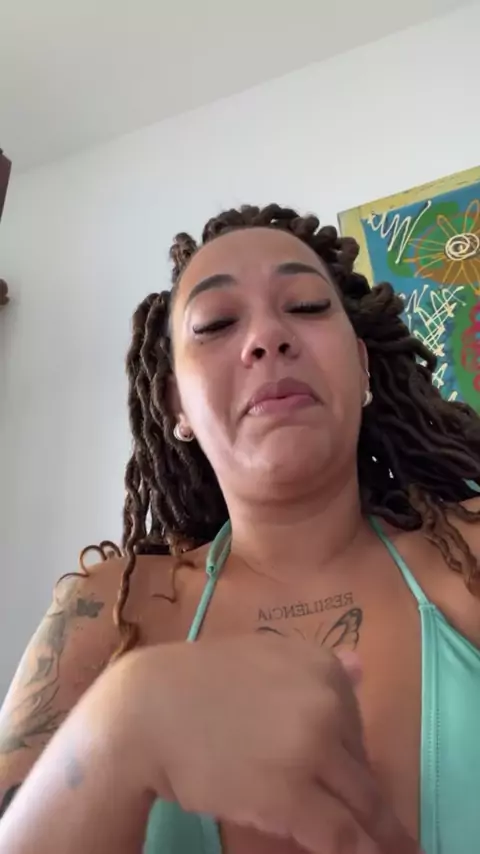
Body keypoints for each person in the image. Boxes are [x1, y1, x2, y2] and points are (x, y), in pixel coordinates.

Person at [0, 204, 479, 854]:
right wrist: (122, 725)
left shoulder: (470, 556)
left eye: (306, 306)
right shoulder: (110, 611)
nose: (268, 337)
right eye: (217, 323)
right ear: (175, 403)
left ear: (363, 367)